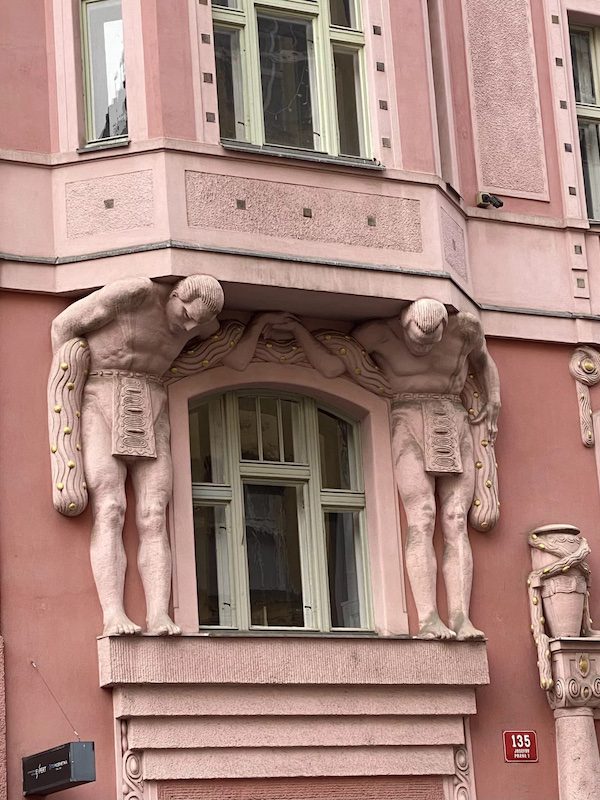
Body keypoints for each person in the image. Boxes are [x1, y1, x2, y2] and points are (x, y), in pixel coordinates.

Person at [50, 275, 224, 636]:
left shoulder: (200, 324)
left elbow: (219, 340)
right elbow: (62, 326)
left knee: (154, 513)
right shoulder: (135, 294)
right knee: (110, 507)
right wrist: (69, 379)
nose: (189, 326)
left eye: (197, 322)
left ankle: (159, 614)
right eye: (186, 314)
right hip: (101, 393)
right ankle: (113, 614)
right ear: (176, 293)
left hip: (152, 401)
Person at [352, 299, 500, 640]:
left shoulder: (465, 329)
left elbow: (484, 360)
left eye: (432, 339)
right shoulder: (376, 334)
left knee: (455, 520)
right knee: (422, 516)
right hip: (406, 415)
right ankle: (428, 618)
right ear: (405, 325)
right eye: (418, 339)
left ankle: (462, 618)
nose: (424, 346)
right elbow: (338, 360)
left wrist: (494, 399)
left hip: (453, 415)